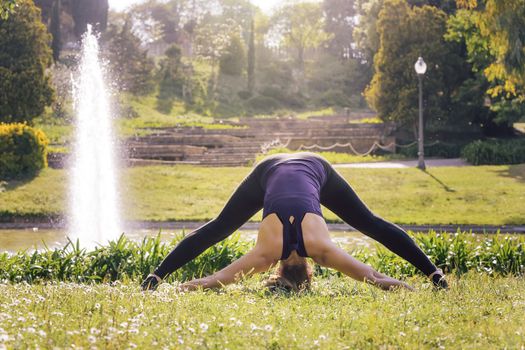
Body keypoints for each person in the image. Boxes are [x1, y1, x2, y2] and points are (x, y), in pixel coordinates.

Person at [141, 152, 447, 291]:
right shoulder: (265, 256)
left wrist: (420, 285)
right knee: (369, 222)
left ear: (310, 270)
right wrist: (175, 285)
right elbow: (212, 281)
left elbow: (378, 280)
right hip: (278, 169)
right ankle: (434, 272)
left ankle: (435, 273)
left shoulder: (321, 250)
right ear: (277, 270)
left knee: (220, 227)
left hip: (310, 168)